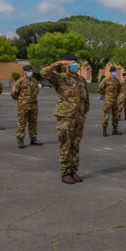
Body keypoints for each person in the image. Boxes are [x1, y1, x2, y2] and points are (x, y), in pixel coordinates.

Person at [36, 54, 89, 184]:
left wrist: (84, 114)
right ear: (66, 64)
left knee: (75, 144)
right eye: (71, 63)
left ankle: (73, 170)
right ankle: (65, 173)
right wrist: (58, 62)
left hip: (79, 117)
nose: (75, 65)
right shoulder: (60, 78)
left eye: (75, 63)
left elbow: (86, 99)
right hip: (65, 117)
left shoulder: (81, 80)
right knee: (66, 144)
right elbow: (44, 72)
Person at [10, 65, 42, 148]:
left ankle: (33, 139)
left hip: (34, 105)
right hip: (23, 106)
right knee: (22, 122)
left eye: (31, 71)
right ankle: (20, 140)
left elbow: (37, 91)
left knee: (33, 122)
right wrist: (21, 100)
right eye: (28, 71)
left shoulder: (34, 81)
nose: (30, 72)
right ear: (24, 72)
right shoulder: (19, 81)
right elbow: (13, 93)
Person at [98, 67, 122, 136]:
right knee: (107, 115)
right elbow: (99, 89)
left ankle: (115, 130)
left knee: (115, 115)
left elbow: (119, 89)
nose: (115, 73)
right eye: (114, 71)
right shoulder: (105, 80)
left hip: (115, 100)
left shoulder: (117, 81)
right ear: (110, 72)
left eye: (116, 71)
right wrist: (106, 94)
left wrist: (116, 94)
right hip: (108, 100)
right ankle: (104, 130)